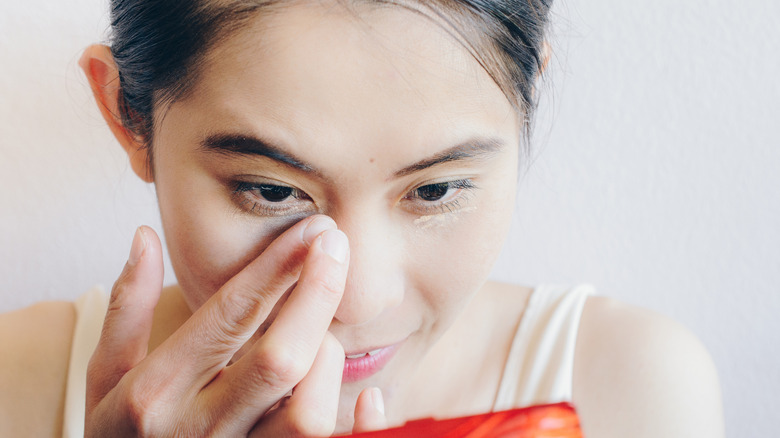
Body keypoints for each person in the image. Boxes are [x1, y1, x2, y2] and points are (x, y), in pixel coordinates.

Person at [0, 0, 725, 436]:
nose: (358, 300)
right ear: (128, 115)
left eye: (436, 191)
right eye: (271, 192)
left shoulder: (632, 387)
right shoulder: (15, 385)